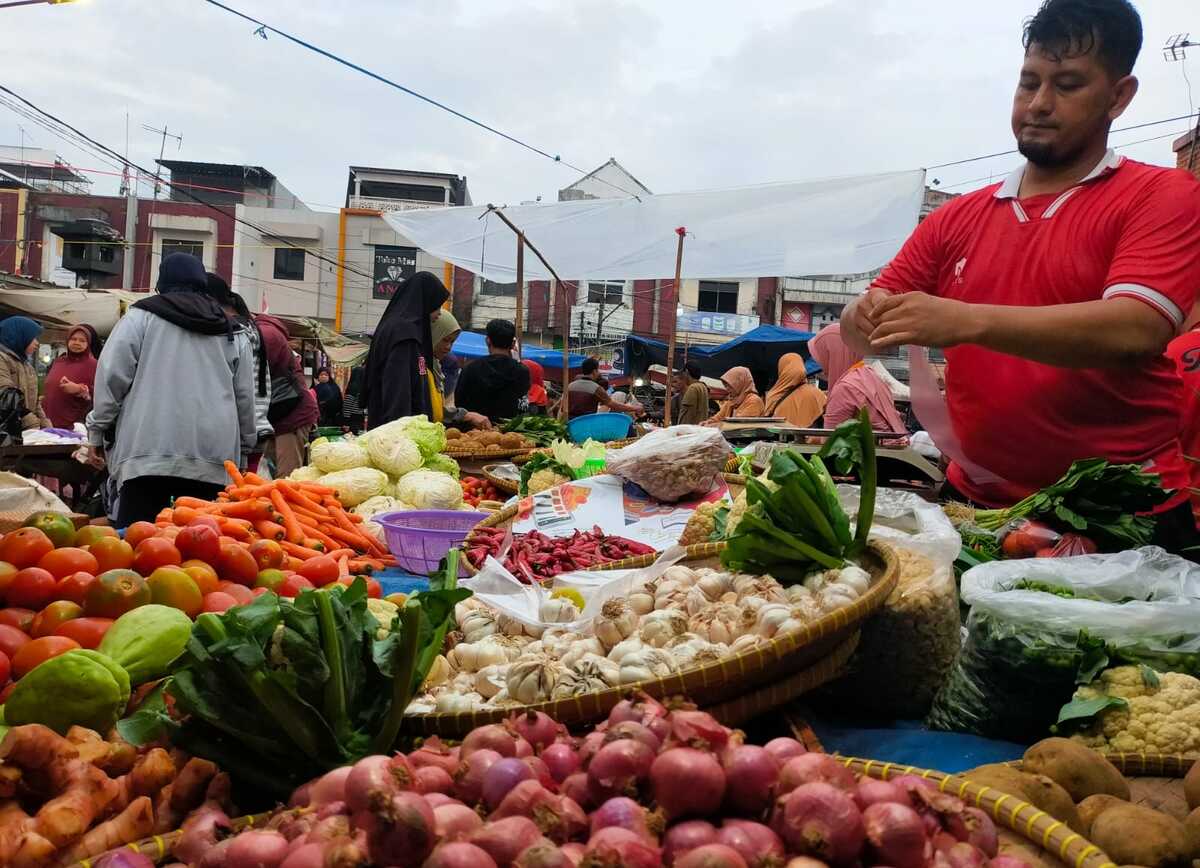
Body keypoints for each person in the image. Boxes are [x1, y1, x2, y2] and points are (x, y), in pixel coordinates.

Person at [841, 0, 1200, 535]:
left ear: (1119, 96)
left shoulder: (1162, 194)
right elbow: (862, 336)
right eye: (1028, 82)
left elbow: (1135, 326)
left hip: (1121, 513)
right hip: (979, 507)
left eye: (1068, 84)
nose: (1039, 103)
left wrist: (964, 320)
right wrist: (864, 316)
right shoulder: (956, 217)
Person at [86, 252, 255, 526]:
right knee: (202, 549)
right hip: (213, 457)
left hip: (146, 451)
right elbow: (245, 397)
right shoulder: (231, 331)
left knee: (137, 544)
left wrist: (97, 430)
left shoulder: (140, 317)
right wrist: (245, 449)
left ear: (161, 282)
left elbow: (111, 377)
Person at [364, 271, 450, 428]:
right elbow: (398, 393)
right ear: (424, 300)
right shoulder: (404, 334)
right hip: (397, 437)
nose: (439, 313)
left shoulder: (403, 330)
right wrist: (400, 439)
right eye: (436, 305)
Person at [806, 324, 908, 437]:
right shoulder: (870, 375)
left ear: (834, 353)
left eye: (823, 357)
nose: (822, 368)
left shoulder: (845, 388)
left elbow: (830, 443)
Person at [257, 313, 320, 477]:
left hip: (292, 417)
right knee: (272, 474)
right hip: (279, 415)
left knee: (287, 480)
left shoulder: (266, 334)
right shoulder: (266, 332)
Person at [455, 319, 532, 422]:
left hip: (473, 433)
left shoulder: (470, 368)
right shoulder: (522, 371)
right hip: (509, 433)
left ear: (487, 340)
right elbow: (523, 407)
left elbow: (459, 403)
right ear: (513, 344)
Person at [430, 310, 490, 430]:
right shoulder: (417, 366)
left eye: (452, 342)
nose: (448, 347)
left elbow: (435, 410)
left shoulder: (435, 365)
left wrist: (464, 415)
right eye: (445, 340)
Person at [43, 323, 100, 429]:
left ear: (88, 343)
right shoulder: (58, 361)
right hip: (48, 422)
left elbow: (99, 396)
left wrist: (79, 389)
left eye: (82, 340)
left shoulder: (94, 365)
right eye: (73, 339)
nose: (77, 343)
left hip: (74, 426)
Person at [0, 316, 50, 430]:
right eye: (33, 338)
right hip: (7, 430)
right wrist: (29, 421)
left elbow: (35, 402)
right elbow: (6, 395)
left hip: (26, 430)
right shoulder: (2, 359)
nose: (37, 343)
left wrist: (45, 424)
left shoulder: (28, 366)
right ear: (20, 336)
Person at [559, 357, 642, 418]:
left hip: (570, 423)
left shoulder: (570, 386)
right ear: (594, 371)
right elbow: (613, 405)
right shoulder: (596, 388)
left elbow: (562, 408)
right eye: (598, 370)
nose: (599, 373)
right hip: (586, 423)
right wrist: (634, 408)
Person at [763, 353, 826, 428]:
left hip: (780, 437)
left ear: (781, 369)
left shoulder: (772, 394)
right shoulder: (816, 394)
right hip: (809, 438)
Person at [676, 360, 710, 426]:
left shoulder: (693, 388)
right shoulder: (703, 386)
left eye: (683, 373)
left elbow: (686, 414)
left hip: (690, 431)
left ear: (686, 372)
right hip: (699, 429)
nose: (682, 376)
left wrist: (681, 430)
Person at [342, 366, 367, 434]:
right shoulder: (363, 388)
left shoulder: (353, 387)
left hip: (352, 419)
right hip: (360, 417)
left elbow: (347, 406)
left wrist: (346, 422)